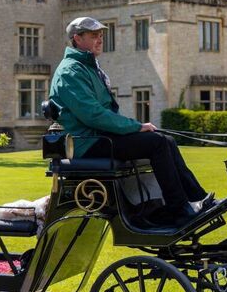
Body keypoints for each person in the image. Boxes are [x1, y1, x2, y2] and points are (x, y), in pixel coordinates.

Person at [48, 16, 214, 223]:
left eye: (100, 36)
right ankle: (178, 209)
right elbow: (93, 115)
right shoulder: (70, 71)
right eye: (93, 36)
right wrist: (135, 126)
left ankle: (197, 198)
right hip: (86, 143)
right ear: (77, 39)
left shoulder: (88, 68)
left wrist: (134, 129)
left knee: (165, 140)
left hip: (99, 137)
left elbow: (102, 114)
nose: (100, 40)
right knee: (158, 143)